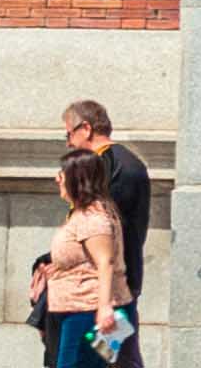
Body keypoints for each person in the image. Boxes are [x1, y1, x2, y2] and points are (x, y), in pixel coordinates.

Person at [37, 153, 132, 368]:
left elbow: (105, 263)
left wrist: (104, 309)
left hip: (89, 313)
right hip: (81, 310)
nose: (57, 179)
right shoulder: (85, 214)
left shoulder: (93, 218)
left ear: (76, 178)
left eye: (62, 173)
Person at [63, 100, 158, 301]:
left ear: (86, 129)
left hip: (103, 289)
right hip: (101, 282)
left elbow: (102, 228)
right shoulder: (116, 161)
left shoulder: (110, 164)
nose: (68, 144)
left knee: (99, 333)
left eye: (69, 134)